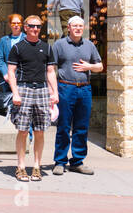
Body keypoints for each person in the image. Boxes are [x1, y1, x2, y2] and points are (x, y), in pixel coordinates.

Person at [6, 14, 58, 182]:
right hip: (24, 88)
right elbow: (11, 72)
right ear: (26, 27)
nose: (35, 29)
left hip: (42, 89)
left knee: (40, 131)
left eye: (38, 27)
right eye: (32, 26)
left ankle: (37, 166)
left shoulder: (47, 48)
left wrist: (54, 92)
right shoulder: (18, 48)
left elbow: (50, 72)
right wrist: (15, 92)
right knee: (22, 130)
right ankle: (21, 167)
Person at [51, 15, 103, 175]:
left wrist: (89, 66)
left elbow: (100, 66)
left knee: (81, 127)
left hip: (84, 89)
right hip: (66, 88)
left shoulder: (89, 45)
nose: (78, 29)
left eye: (81, 26)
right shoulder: (59, 45)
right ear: (69, 28)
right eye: (75, 26)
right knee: (64, 126)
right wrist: (53, 91)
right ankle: (60, 161)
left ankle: (77, 162)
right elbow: (51, 69)